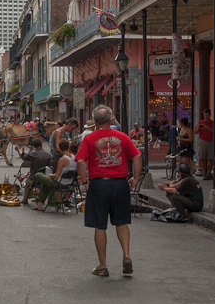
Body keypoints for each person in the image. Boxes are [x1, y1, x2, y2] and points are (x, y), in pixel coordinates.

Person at [76, 105, 142, 277]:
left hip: (99, 184)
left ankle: (103, 265)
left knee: (99, 225)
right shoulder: (122, 137)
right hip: (120, 184)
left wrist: (85, 182)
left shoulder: (89, 139)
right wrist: (135, 177)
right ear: (112, 119)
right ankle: (126, 255)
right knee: (121, 222)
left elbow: (81, 162)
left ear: (95, 122)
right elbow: (137, 156)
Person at [33, 139, 77, 211]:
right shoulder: (73, 157)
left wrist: (50, 175)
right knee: (46, 183)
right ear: (68, 147)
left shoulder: (62, 159)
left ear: (59, 148)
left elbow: (56, 176)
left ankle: (39, 202)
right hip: (69, 182)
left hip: (60, 183)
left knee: (38, 174)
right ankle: (39, 205)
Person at [17, 137, 51, 205]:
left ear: (33, 146)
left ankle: (25, 199)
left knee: (28, 180)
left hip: (35, 179)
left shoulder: (32, 155)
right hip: (46, 178)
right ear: (41, 144)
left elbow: (24, 157)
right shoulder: (48, 155)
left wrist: (19, 150)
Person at [194, 108, 215, 180]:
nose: (206, 117)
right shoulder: (200, 122)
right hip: (202, 141)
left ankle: (209, 172)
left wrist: (207, 128)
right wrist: (198, 128)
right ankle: (204, 173)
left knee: (210, 158)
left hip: (211, 141)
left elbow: (214, 131)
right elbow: (195, 132)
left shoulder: (212, 123)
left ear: (210, 115)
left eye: (207, 115)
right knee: (202, 157)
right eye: (205, 115)